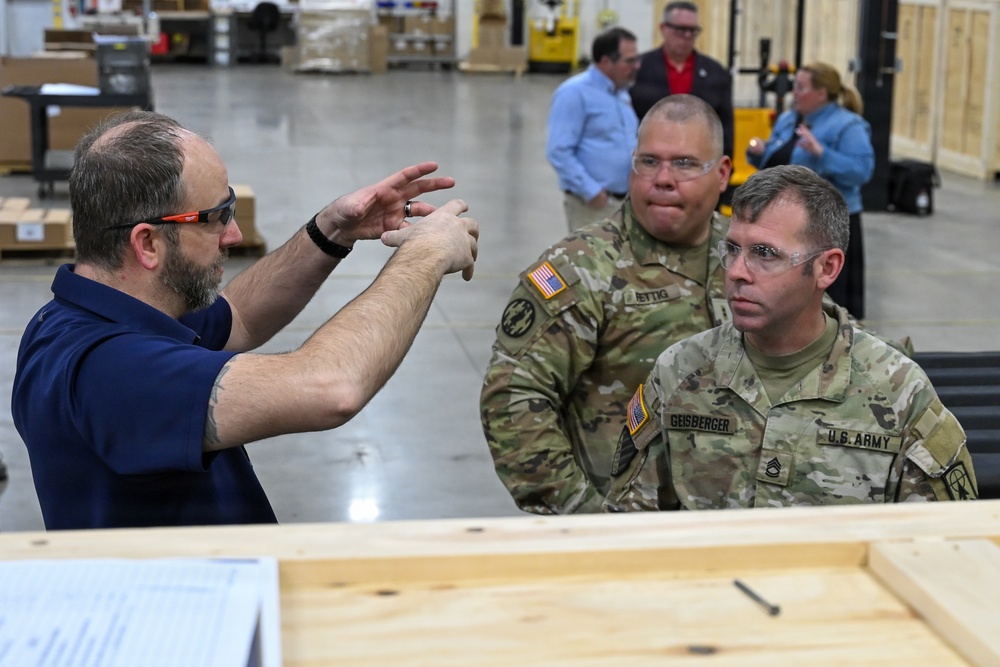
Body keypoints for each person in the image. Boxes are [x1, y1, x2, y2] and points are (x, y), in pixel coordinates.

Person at [12, 110, 479, 530]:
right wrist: (425, 254)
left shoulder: (89, 311)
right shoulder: (110, 371)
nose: (233, 234)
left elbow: (238, 319)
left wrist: (332, 230)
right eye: (215, 217)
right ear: (147, 244)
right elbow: (332, 387)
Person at [605, 165, 978, 512]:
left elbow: (945, 545)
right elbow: (626, 524)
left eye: (765, 254)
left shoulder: (899, 393)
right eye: (733, 249)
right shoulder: (680, 371)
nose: (736, 272)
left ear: (826, 268)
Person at [482, 95, 733, 514]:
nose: (663, 179)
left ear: (722, 173)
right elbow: (512, 396)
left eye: (685, 163)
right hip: (622, 524)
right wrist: (584, 518)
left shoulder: (749, 256)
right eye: (649, 162)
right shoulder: (582, 268)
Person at [746, 62, 874, 319]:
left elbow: (862, 171)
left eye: (800, 87)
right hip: (785, 221)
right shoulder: (787, 119)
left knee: (828, 303)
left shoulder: (849, 126)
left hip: (830, 225)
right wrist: (759, 152)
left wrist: (822, 154)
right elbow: (777, 162)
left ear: (821, 94)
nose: (794, 92)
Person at [546, 26, 641, 232]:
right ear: (606, 61)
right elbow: (559, 151)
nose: (637, 66)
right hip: (591, 205)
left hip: (624, 203)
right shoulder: (574, 93)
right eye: (630, 61)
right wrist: (592, 192)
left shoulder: (622, 94)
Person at [630, 2, 734, 158]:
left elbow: (725, 126)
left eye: (693, 31)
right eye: (681, 30)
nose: (687, 36)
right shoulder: (638, 69)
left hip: (697, 163)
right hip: (649, 161)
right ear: (663, 29)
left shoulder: (716, 73)